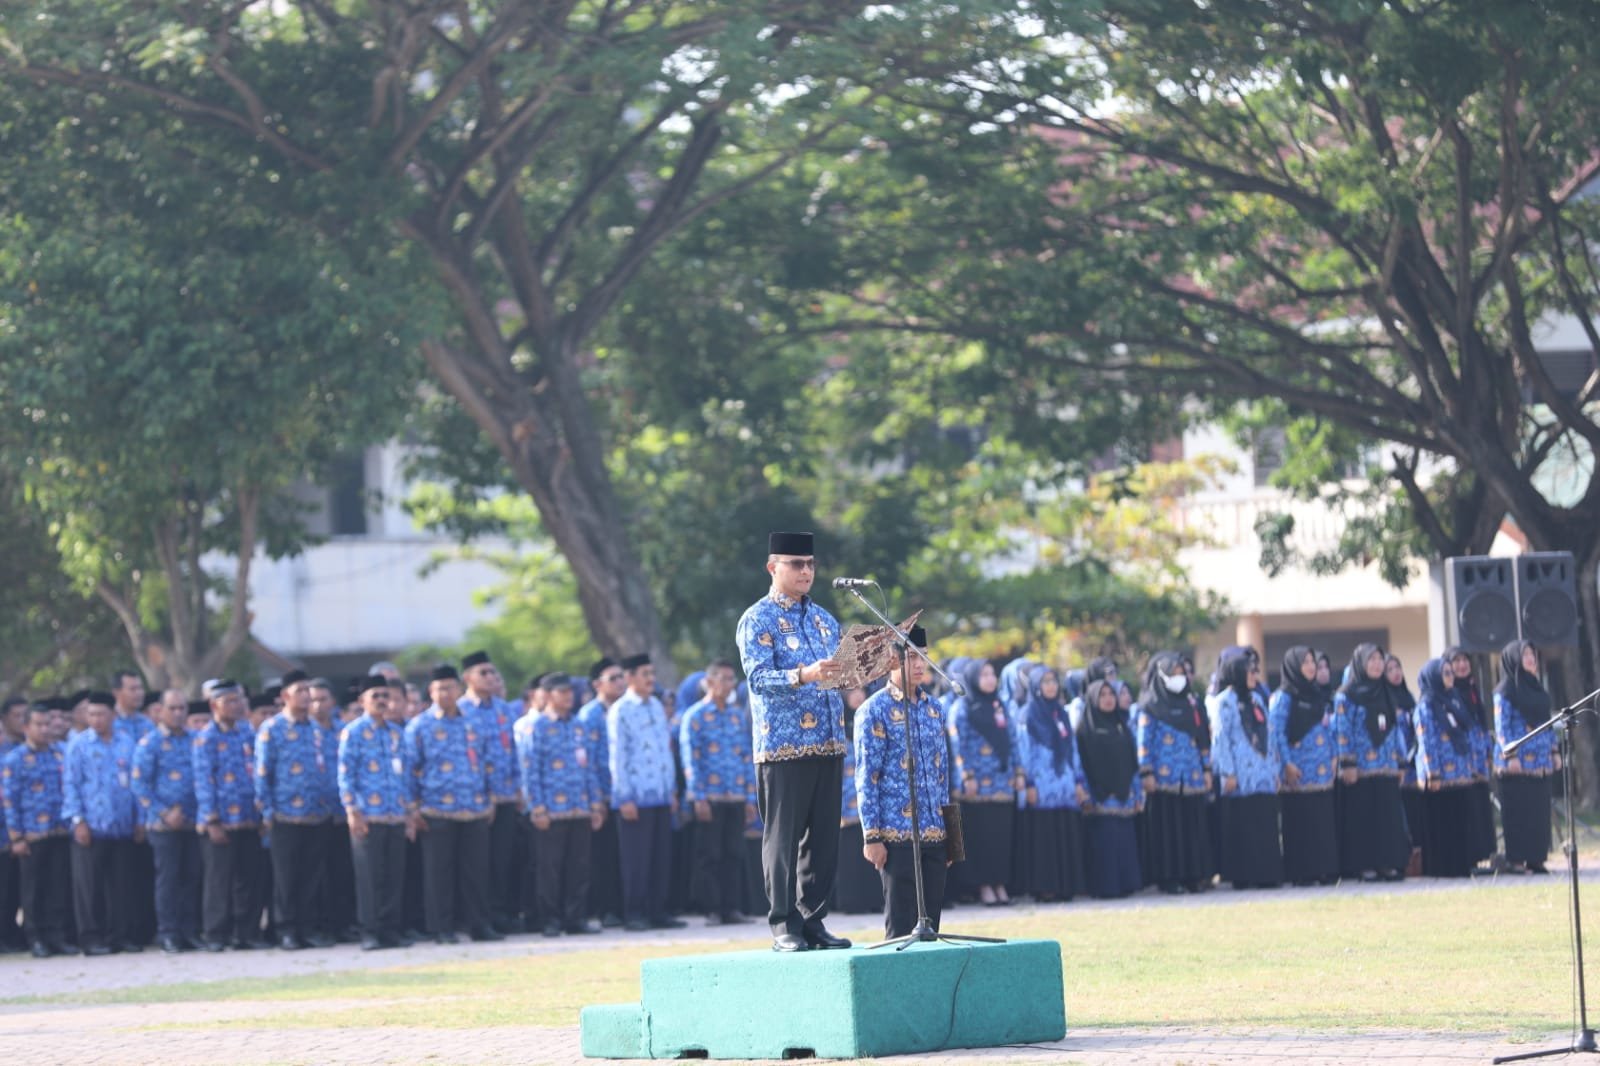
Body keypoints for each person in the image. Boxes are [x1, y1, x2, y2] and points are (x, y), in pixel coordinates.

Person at [734, 531, 851, 953]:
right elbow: (758, 679)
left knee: (823, 840)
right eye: (796, 564)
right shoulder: (758, 619)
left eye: (811, 565)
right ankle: (784, 923)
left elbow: (838, 675)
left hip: (829, 740)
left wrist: (864, 668)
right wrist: (803, 674)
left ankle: (813, 920)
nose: (806, 572)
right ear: (773, 568)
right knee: (783, 839)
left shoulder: (824, 619)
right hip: (783, 745)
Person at [855, 626, 952, 939]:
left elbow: (943, 775)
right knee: (900, 926)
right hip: (896, 834)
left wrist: (952, 834)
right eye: (912, 657)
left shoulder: (935, 709)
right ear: (891, 661)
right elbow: (867, 776)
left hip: (934, 831)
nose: (920, 664)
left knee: (931, 927)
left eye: (923, 657)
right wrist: (871, 836)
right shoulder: (874, 710)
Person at [405, 665, 500, 944]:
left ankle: (479, 925)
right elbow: (410, 770)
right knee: (439, 873)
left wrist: (491, 797)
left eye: (450, 687)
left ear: (459, 689)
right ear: (431, 693)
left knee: (476, 871)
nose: (446, 693)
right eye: (439, 689)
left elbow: (487, 761)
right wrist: (412, 808)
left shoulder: (473, 722)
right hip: (436, 808)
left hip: (474, 806)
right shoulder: (420, 726)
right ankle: (441, 927)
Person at [517, 672, 604, 937]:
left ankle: (574, 918)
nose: (569, 697)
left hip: (579, 806)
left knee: (579, 866)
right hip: (551, 810)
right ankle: (549, 919)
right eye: (562, 692)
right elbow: (530, 771)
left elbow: (588, 767)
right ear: (548, 695)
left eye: (570, 692)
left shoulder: (579, 726)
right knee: (549, 869)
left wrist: (595, 803)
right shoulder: (538, 727)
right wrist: (537, 807)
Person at [255, 670, 333, 951]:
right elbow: (263, 774)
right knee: (286, 876)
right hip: (284, 815)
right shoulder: (272, 729)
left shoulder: (316, 730)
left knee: (311, 875)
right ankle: (285, 929)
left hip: (316, 814)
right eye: (300, 690)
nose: (306, 696)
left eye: (308, 690)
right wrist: (266, 812)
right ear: (285, 696)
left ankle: (307, 928)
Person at [608, 654, 684, 932]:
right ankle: (635, 913)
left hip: (661, 794)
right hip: (635, 797)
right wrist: (624, 796)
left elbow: (665, 751)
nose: (651, 679)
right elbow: (618, 756)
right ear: (629, 677)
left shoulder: (655, 706)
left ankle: (658, 911)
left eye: (652, 673)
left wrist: (672, 790)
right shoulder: (620, 710)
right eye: (644, 674)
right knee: (636, 860)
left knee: (660, 857)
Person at [62, 692, 142, 955]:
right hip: (91, 827)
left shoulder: (127, 743)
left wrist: (139, 819)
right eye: (91, 714)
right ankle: (91, 938)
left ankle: (119, 936)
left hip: (122, 827)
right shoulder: (78, 745)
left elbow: (136, 784)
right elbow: (71, 785)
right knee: (89, 887)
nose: (95, 719)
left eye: (100, 714)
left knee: (122, 886)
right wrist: (78, 821)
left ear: (112, 714)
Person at [678, 660, 755, 927]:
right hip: (709, 796)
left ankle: (731, 907)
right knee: (709, 854)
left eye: (731, 679)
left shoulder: (735, 715)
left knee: (734, 853)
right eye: (723, 679)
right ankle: (711, 908)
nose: (729, 685)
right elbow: (691, 761)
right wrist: (697, 796)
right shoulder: (695, 716)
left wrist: (749, 796)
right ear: (709, 682)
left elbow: (746, 756)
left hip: (734, 794)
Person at [338, 676, 411, 950]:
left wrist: (409, 811)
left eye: (384, 695)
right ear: (362, 701)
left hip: (395, 814)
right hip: (368, 815)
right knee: (369, 876)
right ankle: (369, 931)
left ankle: (391, 930)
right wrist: (352, 810)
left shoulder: (396, 733)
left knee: (393, 875)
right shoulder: (353, 732)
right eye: (375, 695)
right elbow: (346, 774)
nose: (382, 700)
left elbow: (405, 775)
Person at [193, 679, 265, 951]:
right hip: (220, 821)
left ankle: (246, 933)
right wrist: (211, 819)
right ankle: (215, 934)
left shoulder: (248, 733)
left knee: (249, 879)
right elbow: (203, 781)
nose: (236, 706)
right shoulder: (206, 738)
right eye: (229, 701)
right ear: (214, 705)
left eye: (238, 700)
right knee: (218, 880)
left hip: (248, 818)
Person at [459, 650, 526, 935]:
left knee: (502, 858)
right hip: (475, 799)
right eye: (483, 673)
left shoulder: (503, 709)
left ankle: (500, 913)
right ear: (468, 678)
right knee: (477, 862)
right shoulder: (460, 709)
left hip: (506, 793)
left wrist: (518, 785)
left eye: (492, 672)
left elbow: (513, 750)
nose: (490, 678)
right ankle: (477, 917)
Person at [1135, 652, 1213, 894]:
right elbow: (1144, 741)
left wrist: (1207, 767)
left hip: (1191, 775)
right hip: (1163, 778)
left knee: (1192, 828)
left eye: (1181, 673)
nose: (1179, 678)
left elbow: (1202, 738)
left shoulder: (1191, 704)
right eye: (1174, 673)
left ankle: (1193, 875)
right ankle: (1169, 878)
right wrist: (1146, 772)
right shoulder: (1150, 705)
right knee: (1168, 831)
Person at [132, 688, 201, 954]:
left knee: (192, 877)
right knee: (168, 879)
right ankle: (168, 933)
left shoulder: (196, 740)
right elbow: (140, 785)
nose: (178, 713)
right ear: (159, 710)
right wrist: (164, 813)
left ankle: (189, 931)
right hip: (163, 825)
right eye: (172, 708)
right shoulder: (150, 743)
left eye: (182, 708)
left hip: (193, 822)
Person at [1334, 643, 1410, 881]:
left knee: (1387, 817)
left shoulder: (1387, 692)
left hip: (1386, 765)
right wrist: (1347, 764)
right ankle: (1364, 865)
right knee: (1363, 817)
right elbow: (1343, 731)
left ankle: (1387, 863)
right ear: (1360, 663)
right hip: (1361, 769)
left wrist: (1400, 762)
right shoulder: (1346, 695)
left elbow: (1395, 729)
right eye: (1372, 660)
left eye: (1380, 659)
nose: (1377, 664)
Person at [948, 659, 1021, 906]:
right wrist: (966, 775)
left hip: (1002, 783)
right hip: (976, 785)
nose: (991, 679)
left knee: (1001, 837)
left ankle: (1000, 883)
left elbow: (1013, 741)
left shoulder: (1000, 706)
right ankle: (984, 887)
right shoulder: (963, 708)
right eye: (984, 674)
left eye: (993, 674)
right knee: (981, 838)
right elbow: (958, 745)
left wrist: (1018, 772)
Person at [1207, 656, 1282, 889]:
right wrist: (1227, 772)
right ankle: (1244, 875)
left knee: (1264, 823)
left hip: (1263, 773)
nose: (1254, 676)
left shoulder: (1257, 699)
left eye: (1255, 671)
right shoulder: (1224, 702)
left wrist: (1274, 769)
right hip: (1240, 775)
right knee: (1244, 825)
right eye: (1250, 672)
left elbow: (1269, 736)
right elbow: (1220, 739)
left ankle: (1266, 874)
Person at [1014, 666, 1088, 902]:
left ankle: (1065, 885)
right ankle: (1045, 887)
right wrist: (1029, 784)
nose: (1051, 686)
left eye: (1054, 681)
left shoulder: (1061, 713)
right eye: (1045, 682)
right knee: (1045, 838)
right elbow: (1024, 752)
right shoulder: (1028, 715)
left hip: (1064, 785)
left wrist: (1078, 781)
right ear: (1036, 686)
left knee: (1064, 834)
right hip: (1042, 787)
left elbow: (1072, 749)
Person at [2, 704, 71, 956]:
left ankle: (57, 936)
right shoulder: (14, 759)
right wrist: (16, 837)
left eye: (47, 724)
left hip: (60, 831)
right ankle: (36, 938)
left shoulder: (61, 753)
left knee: (58, 887)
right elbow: (9, 801)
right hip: (31, 835)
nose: (44, 730)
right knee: (33, 889)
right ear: (26, 728)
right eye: (38, 725)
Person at [1267, 647, 1339, 886]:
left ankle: (1324, 869)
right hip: (1297, 771)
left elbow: (1329, 727)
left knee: (1322, 821)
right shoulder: (1283, 697)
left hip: (1322, 770)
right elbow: (1277, 734)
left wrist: (1334, 755)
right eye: (1305, 662)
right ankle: (1302, 871)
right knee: (1301, 821)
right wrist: (1286, 764)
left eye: (1312, 662)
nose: (1310, 666)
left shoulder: (1317, 695)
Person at [1412, 657, 1482, 878]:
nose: (1451, 676)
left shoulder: (1455, 700)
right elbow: (1426, 741)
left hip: (1460, 773)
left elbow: (1466, 732)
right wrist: (1433, 772)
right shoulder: (1426, 705)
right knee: (1441, 824)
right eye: (1446, 673)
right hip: (1439, 776)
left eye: (1451, 673)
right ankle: (1441, 869)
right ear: (1434, 676)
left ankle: (1461, 867)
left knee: (1459, 822)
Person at [1075, 679, 1143, 899]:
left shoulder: (1122, 726)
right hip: (1099, 797)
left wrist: (1137, 791)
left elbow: (1133, 762)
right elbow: (1081, 763)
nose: (1108, 699)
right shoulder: (1085, 729)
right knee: (1105, 840)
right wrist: (1086, 792)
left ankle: (1126, 884)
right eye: (1102, 695)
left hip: (1124, 795)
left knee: (1124, 840)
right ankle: (1105, 887)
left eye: (1111, 695)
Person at [1494, 640, 1556, 874]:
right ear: (1513, 660)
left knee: (1538, 812)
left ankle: (1536, 858)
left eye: (1532, 654)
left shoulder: (1539, 690)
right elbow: (1502, 728)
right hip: (1516, 764)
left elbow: (1548, 724)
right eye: (1525, 655)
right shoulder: (1505, 691)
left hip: (1540, 763)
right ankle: (1517, 860)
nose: (1531, 659)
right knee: (1519, 813)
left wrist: (1555, 751)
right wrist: (1511, 756)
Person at [1443, 646, 1497, 866]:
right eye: (1456, 661)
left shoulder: (1473, 691)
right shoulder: (1447, 695)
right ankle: (1468, 859)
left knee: (1480, 808)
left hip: (1479, 763)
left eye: (1465, 660)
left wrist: (1487, 754)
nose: (1462, 665)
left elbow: (1482, 726)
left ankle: (1482, 856)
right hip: (1460, 764)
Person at [833, 686, 883, 914]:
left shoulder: (871, 718)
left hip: (869, 797)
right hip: (843, 795)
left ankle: (873, 899)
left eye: (860, 690)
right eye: (851, 691)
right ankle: (850, 901)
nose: (857, 695)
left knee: (872, 848)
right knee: (848, 851)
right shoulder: (836, 721)